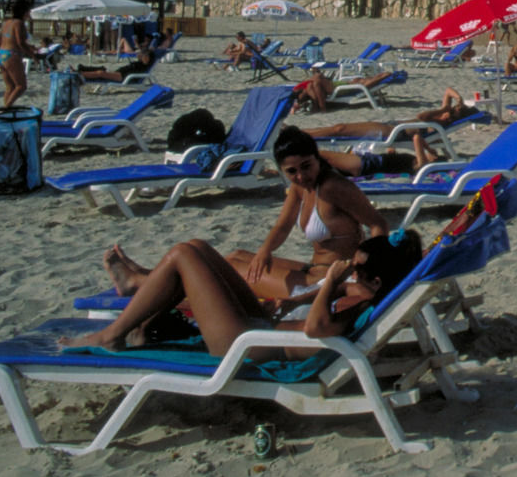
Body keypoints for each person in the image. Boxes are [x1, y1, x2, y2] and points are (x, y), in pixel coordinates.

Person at [70, 231, 422, 356]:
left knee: (182, 255)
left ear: (377, 281)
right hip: (259, 325)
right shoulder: (365, 291)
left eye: (358, 268)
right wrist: (299, 299)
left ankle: (111, 335)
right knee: (198, 248)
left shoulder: (361, 306)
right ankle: (139, 324)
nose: (351, 270)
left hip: (247, 345)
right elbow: (332, 297)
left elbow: (316, 330)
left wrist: (328, 283)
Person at [201, 125, 393, 300]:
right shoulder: (299, 186)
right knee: (236, 256)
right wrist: (265, 251)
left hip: (328, 282)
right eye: (292, 171)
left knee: (228, 270)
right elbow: (283, 226)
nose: (301, 176)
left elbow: (378, 224)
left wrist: (365, 271)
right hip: (314, 270)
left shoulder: (333, 187)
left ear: (317, 158)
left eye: (306, 166)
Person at [296, 86, 486, 173]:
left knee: (340, 129)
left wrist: (444, 110)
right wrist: (458, 99)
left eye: (450, 112)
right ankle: (301, 132)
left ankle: (299, 135)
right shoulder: (441, 117)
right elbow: (447, 90)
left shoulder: (439, 122)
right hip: (391, 126)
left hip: (390, 132)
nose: (447, 112)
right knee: (339, 129)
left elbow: (421, 119)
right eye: (449, 110)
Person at [290, 65, 404, 114]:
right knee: (314, 84)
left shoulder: (361, 83)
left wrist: (385, 75)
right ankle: (318, 106)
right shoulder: (358, 80)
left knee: (316, 80)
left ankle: (320, 107)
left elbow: (366, 85)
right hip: (334, 86)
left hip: (337, 86)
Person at [0, 0, 33, 109]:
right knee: (21, 86)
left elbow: (3, 39)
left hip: (1, 55)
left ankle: (6, 109)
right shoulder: (19, 23)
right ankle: (5, 108)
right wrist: (33, 55)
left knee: (10, 87)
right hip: (12, 55)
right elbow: (19, 42)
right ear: (24, 12)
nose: (29, 14)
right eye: (28, 11)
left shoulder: (7, 22)